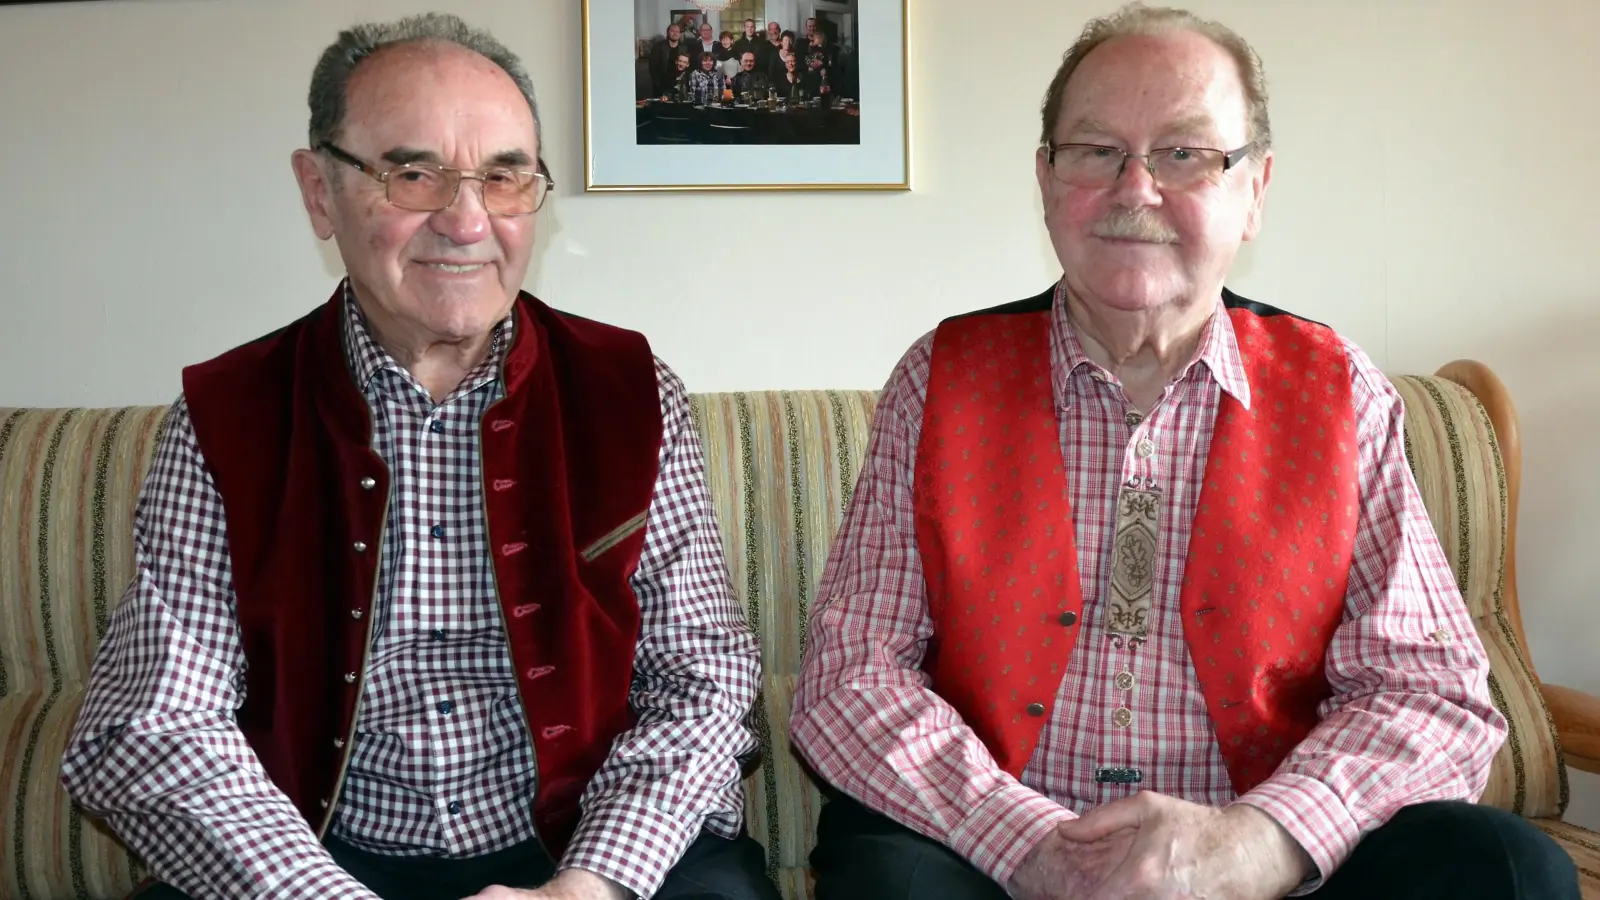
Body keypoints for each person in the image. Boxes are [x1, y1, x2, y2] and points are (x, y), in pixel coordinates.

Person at [789, 4, 1579, 900]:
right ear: (1046, 181)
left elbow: (1433, 693)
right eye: (1095, 150)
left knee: (1509, 869)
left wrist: (1258, 843)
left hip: (1266, 864)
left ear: (1255, 189)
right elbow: (847, 678)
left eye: (1185, 153)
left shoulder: (1338, 389)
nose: (1136, 189)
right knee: (882, 876)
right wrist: (1032, 846)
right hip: (998, 863)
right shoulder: (941, 379)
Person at [60, 13, 778, 900]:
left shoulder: (630, 391)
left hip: (587, 847)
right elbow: (152, 725)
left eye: (504, 177)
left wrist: (591, 886)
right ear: (319, 192)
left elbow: (704, 680)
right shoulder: (224, 418)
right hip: (312, 862)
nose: (468, 221)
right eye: (414, 174)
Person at [650, 22, 690, 97]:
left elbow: (686, 68)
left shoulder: (684, 48)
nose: (675, 33)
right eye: (672, 31)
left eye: (677, 31)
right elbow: (653, 67)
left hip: (678, 85)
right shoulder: (658, 47)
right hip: (661, 86)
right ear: (667, 32)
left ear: (680, 34)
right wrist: (658, 84)